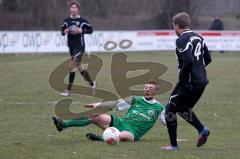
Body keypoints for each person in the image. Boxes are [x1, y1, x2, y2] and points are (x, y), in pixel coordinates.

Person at [161, 12, 212, 150]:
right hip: (201, 82)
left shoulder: (181, 39)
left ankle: (174, 145)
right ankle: (202, 130)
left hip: (189, 82)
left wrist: (183, 77)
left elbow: (189, 60)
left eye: (174, 26)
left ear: (177, 25)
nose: (174, 29)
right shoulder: (199, 37)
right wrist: (198, 71)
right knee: (182, 108)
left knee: (170, 109)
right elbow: (208, 58)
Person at [52, 80, 164, 142]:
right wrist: (99, 104)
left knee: (124, 136)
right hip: (121, 123)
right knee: (95, 116)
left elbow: (168, 122)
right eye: (146, 88)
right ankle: (63, 124)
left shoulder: (159, 108)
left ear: (156, 91)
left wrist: (174, 138)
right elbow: (116, 103)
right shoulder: (136, 99)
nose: (147, 90)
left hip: (133, 132)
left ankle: (101, 138)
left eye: (150, 88)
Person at [60, 1, 96, 96]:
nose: (74, 9)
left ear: (78, 9)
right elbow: (62, 32)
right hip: (71, 46)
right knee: (79, 68)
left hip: (80, 46)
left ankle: (68, 90)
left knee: (72, 66)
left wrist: (81, 31)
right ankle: (92, 83)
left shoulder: (83, 21)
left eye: (75, 8)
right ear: (70, 9)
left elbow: (91, 30)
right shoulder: (66, 20)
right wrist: (65, 31)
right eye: (72, 7)